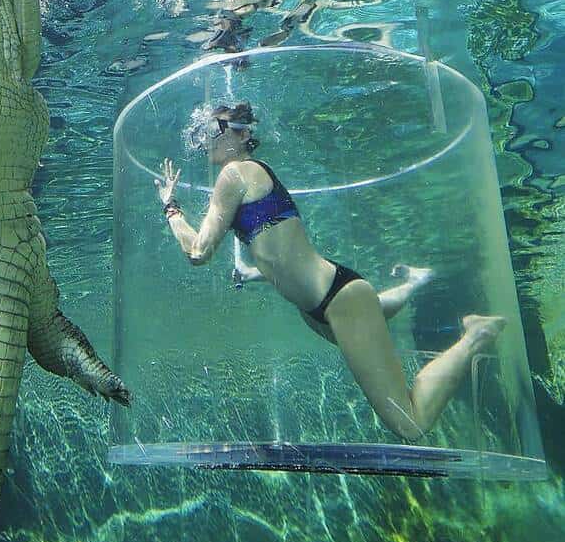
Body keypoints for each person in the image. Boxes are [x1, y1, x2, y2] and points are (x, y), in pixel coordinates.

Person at [155, 101, 506, 442]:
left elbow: (199, 252)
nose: (203, 143)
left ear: (237, 133)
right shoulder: (248, 176)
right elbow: (283, 255)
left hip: (338, 300)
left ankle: (475, 334)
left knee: (409, 423)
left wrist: (171, 208)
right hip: (328, 304)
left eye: (210, 132)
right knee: (372, 313)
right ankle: (413, 283)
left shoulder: (234, 174)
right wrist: (255, 273)